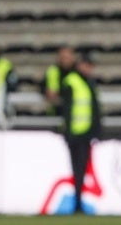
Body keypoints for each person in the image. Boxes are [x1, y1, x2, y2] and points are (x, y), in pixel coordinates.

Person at [60, 52, 101, 214]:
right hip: (75, 133)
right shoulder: (72, 81)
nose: (89, 69)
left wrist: (96, 130)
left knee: (81, 170)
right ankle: (77, 203)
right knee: (77, 169)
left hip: (85, 133)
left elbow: (95, 109)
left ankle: (78, 202)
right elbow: (67, 109)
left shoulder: (89, 82)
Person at [42, 44, 76, 115]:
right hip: (56, 112)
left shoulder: (77, 73)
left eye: (67, 57)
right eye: (63, 57)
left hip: (74, 112)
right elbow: (48, 91)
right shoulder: (53, 71)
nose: (65, 60)